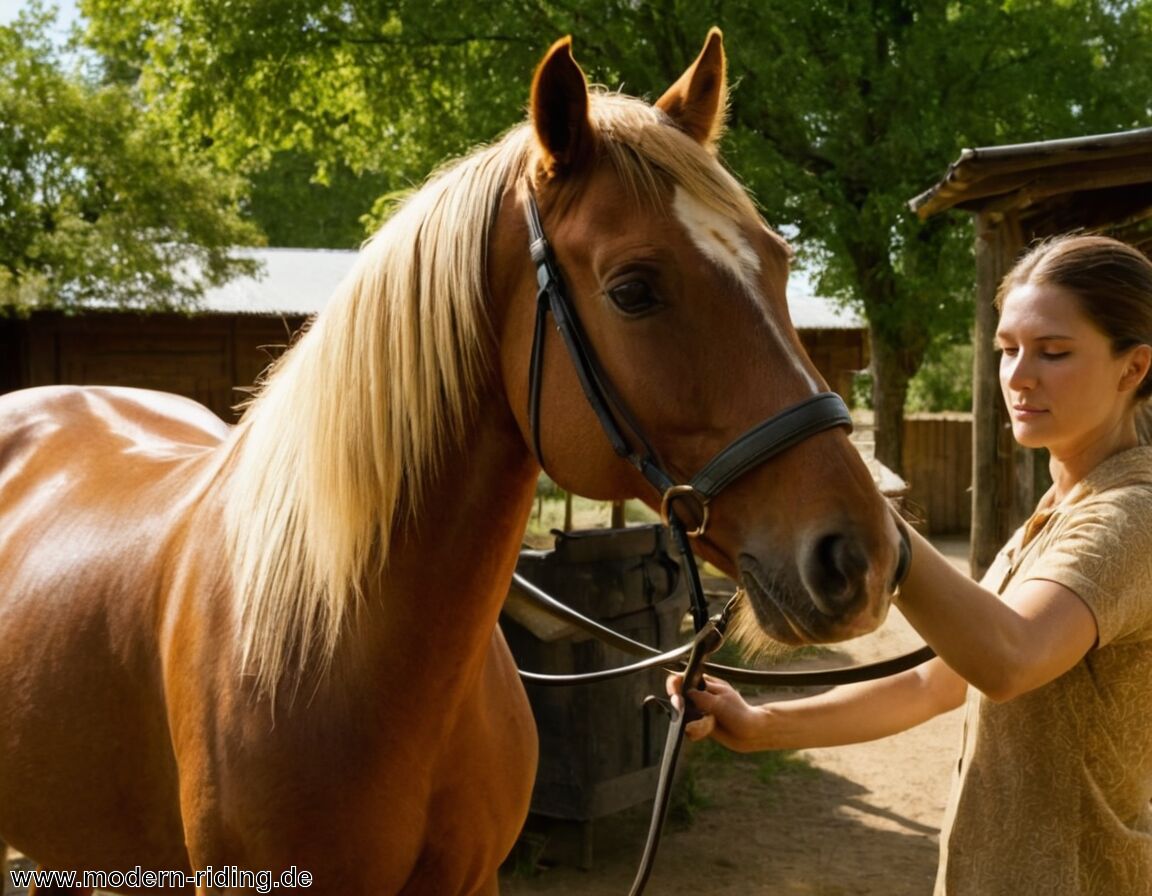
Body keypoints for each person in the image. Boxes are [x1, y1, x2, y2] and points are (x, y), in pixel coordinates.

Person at [670, 234, 1152, 895]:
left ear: (1133, 369)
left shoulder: (1132, 518)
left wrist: (871, 521)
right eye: (1008, 350)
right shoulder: (1058, 512)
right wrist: (760, 726)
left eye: (1054, 352)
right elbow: (937, 683)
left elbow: (1008, 660)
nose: (1018, 376)